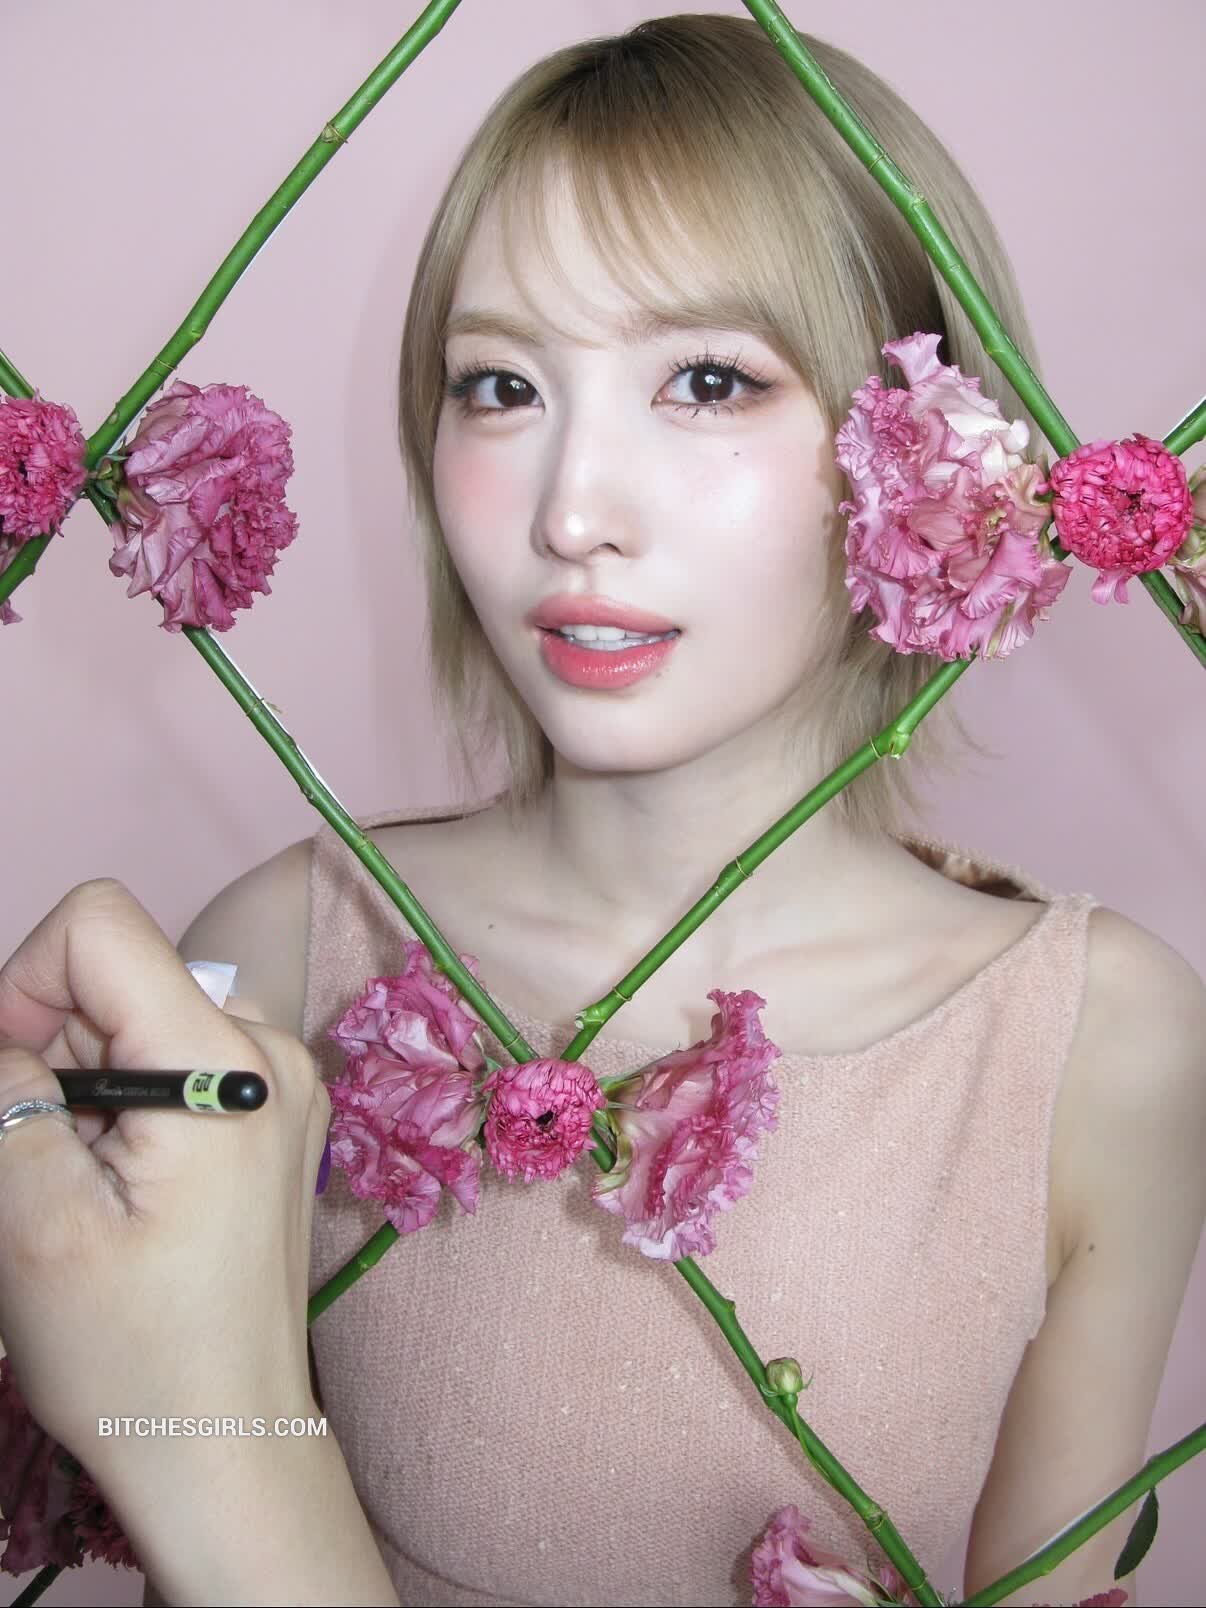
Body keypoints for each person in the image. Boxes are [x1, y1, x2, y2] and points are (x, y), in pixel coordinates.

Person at [1, 14, 1202, 1607]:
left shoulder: (1095, 1044)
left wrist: (207, 1449)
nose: (569, 510)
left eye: (707, 380)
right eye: (498, 385)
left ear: (936, 450)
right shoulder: (283, 956)